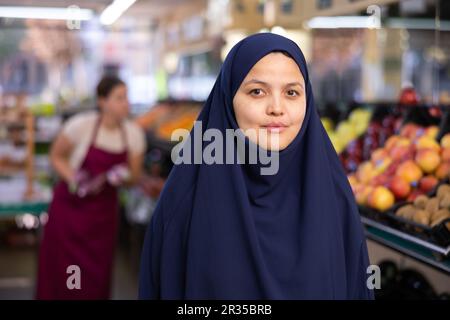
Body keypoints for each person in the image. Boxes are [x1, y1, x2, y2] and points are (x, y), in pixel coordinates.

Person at [139, 33, 374, 299]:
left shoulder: (334, 197)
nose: (277, 108)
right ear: (229, 99)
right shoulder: (184, 203)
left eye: (292, 92)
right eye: (257, 91)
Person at [36, 75, 146, 299]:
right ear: (102, 101)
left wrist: (123, 176)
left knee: (96, 277)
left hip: (102, 221)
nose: (126, 103)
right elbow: (56, 156)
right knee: (69, 277)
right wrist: (74, 178)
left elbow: (135, 176)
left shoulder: (134, 135)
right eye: (119, 97)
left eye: (126, 97)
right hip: (70, 216)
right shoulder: (81, 126)